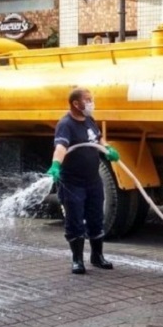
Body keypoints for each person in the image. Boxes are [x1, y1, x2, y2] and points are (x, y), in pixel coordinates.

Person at [47, 87, 120, 274]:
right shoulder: (66, 124)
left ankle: (97, 256)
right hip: (73, 183)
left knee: (96, 218)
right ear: (76, 103)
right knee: (75, 220)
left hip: (93, 181)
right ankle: (77, 259)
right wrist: (56, 165)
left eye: (91, 99)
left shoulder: (89, 120)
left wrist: (107, 148)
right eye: (87, 99)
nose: (91, 102)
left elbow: (98, 138)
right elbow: (61, 147)